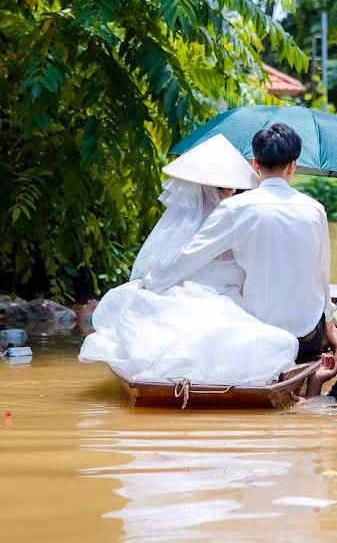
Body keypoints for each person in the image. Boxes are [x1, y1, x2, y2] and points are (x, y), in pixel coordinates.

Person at [80, 134, 301, 386]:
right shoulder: (233, 214)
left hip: (193, 295)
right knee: (271, 341)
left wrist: (152, 283)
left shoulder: (188, 218)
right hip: (225, 301)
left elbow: (175, 264)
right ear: (229, 187)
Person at [170, 123, 333, 363]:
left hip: (260, 338)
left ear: (255, 163)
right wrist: (329, 324)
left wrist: (154, 283)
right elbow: (323, 274)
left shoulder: (235, 208)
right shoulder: (315, 210)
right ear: (292, 167)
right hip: (308, 339)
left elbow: (189, 257)